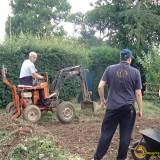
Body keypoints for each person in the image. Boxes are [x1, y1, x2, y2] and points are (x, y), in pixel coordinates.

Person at [92, 49, 143, 160]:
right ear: (129, 59)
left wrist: (103, 100)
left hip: (112, 108)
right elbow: (138, 93)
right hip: (128, 109)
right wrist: (140, 110)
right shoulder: (135, 72)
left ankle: (96, 158)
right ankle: (121, 158)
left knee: (106, 134)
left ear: (120, 58)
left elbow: (100, 86)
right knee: (125, 136)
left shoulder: (110, 69)